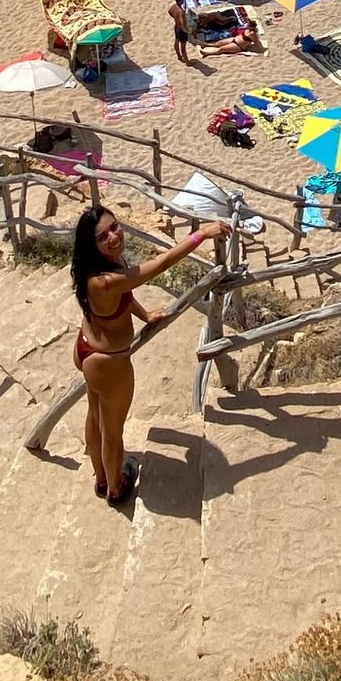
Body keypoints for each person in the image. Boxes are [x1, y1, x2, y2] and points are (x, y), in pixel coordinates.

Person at [71, 203, 219, 504]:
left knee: (95, 414)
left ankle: (100, 477)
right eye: (103, 236)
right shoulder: (104, 281)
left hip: (87, 347)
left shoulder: (98, 267)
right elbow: (159, 265)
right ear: (92, 244)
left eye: (115, 227)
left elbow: (126, 292)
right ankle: (115, 487)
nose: (114, 237)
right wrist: (200, 235)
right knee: (113, 431)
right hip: (109, 362)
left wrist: (143, 314)